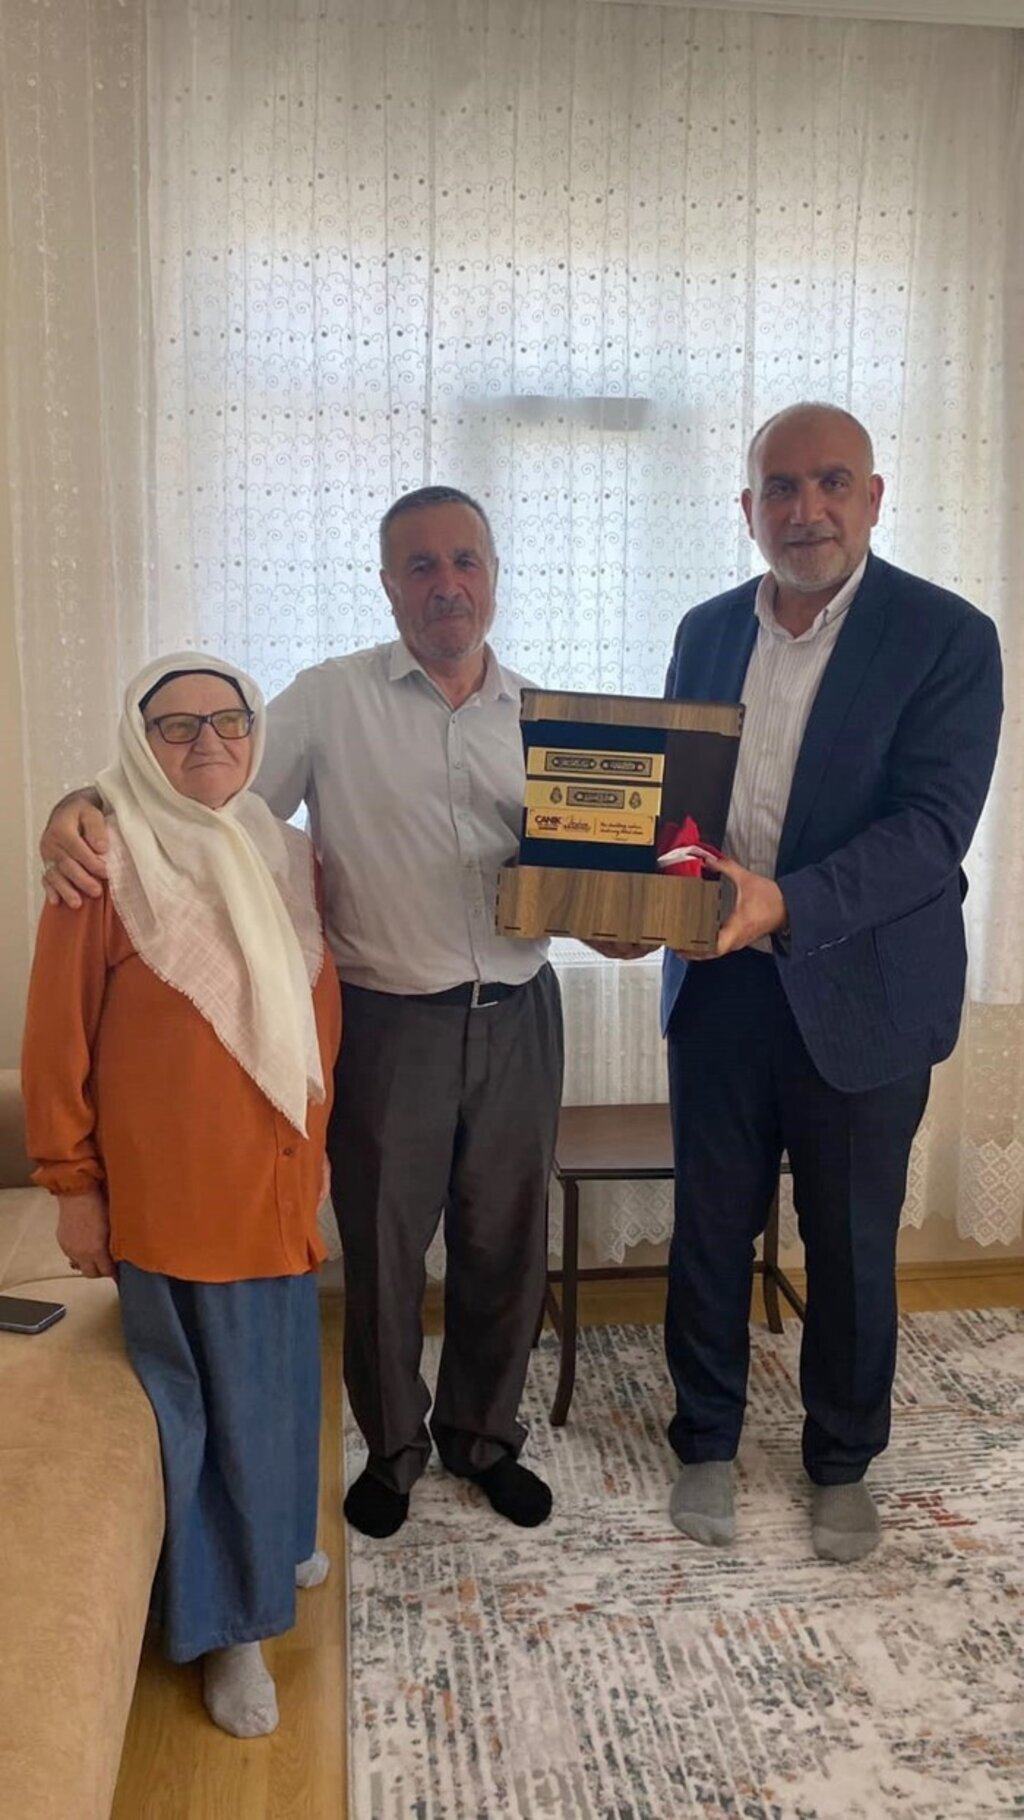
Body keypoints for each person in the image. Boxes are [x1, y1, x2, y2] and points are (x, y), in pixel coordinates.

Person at [39, 487, 563, 1543]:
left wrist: (633, 915)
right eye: (420, 565)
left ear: (495, 574)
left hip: (519, 1014)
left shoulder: (546, 718)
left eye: (465, 560)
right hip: (389, 1024)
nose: (446, 584)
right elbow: (203, 794)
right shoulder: (329, 700)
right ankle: (393, 1450)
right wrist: (75, 807)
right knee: (382, 1249)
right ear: (388, 585)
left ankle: (483, 1438)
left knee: (507, 1242)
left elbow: (599, 865)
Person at [659, 403, 1003, 1562]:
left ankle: (841, 1458)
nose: (805, 508)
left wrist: (786, 900)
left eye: (831, 482)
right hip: (718, 982)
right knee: (709, 1224)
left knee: (849, 1240)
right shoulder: (707, 629)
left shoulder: (946, 636)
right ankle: (705, 1435)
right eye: (781, 487)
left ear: (872, 496)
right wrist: (635, 901)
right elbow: (679, 807)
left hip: (863, 989)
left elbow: (929, 830)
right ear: (747, 507)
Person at [22, 655, 342, 1738]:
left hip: (278, 1183)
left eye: (227, 718)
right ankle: (224, 1628)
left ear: (255, 731)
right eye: (174, 724)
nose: (207, 741)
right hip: (177, 1202)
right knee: (205, 1417)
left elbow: (314, 1015)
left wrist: (316, 1142)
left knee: (280, 1386)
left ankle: (278, 1540)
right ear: (137, 737)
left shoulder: (287, 854)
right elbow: (56, 1037)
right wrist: (72, 1186)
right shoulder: (104, 861)